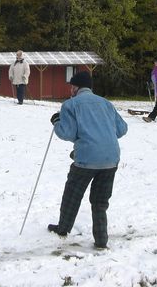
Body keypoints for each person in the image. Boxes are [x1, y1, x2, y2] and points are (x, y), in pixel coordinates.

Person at [48, 71, 128, 249]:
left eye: (71, 86)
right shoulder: (106, 103)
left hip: (86, 159)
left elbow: (67, 133)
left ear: (76, 87)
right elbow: (122, 129)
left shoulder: (71, 105)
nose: (70, 90)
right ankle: (101, 241)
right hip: (111, 158)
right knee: (100, 201)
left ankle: (63, 229)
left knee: (73, 194)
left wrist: (56, 122)